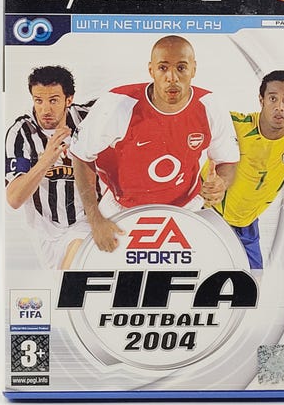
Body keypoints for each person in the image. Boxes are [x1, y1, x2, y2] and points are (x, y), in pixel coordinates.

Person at [70, 35, 240, 252]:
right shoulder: (117, 105)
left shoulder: (210, 105)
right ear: (151, 70)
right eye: (163, 68)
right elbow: (81, 156)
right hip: (122, 209)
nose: (172, 78)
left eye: (181, 68)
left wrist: (221, 183)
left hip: (187, 207)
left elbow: (227, 160)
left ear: (194, 69)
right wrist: (95, 220)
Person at [202, 70, 284, 270]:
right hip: (211, 216)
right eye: (273, 98)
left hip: (247, 225)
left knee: (254, 282)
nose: (279, 107)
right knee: (203, 277)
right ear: (261, 100)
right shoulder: (235, 125)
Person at [5, 65, 97, 269]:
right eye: (39, 100)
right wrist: (46, 159)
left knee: (75, 263)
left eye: (53, 100)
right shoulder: (22, 133)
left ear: (69, 99)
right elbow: (14, 198)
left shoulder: (89, 118)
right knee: (60, 280)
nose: (45, 110)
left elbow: (124, 104)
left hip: (86, 221)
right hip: (44, 228)